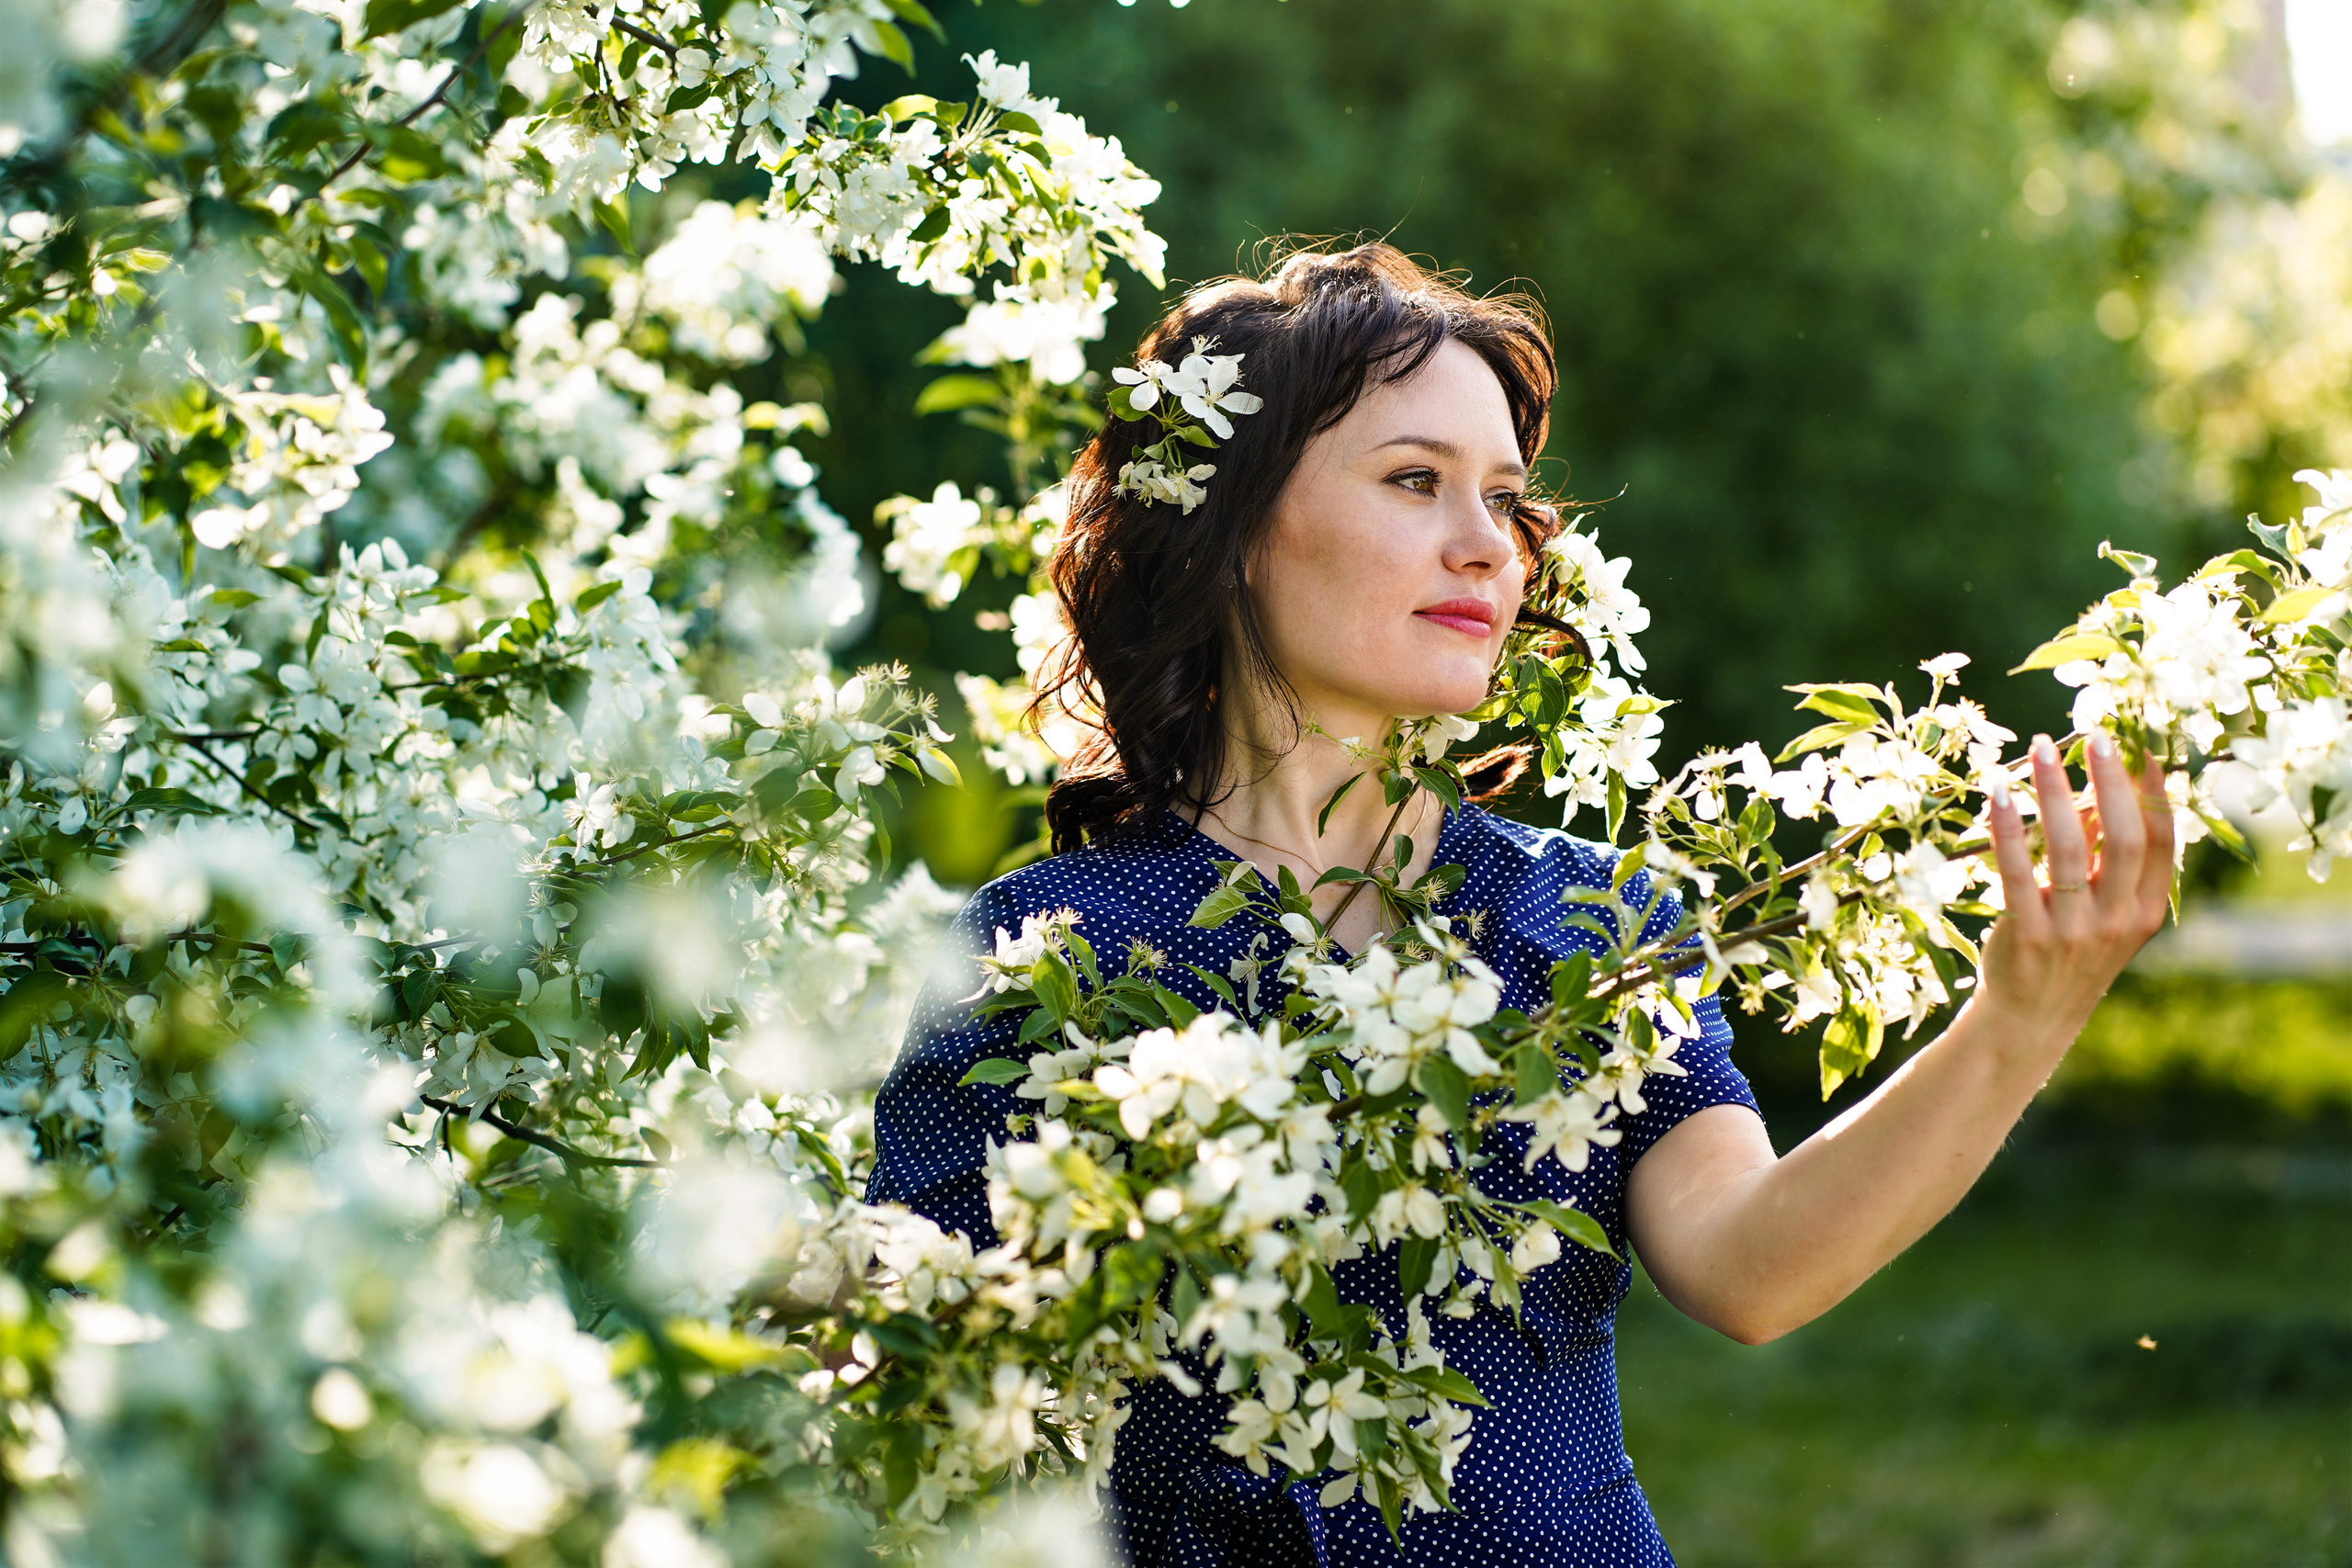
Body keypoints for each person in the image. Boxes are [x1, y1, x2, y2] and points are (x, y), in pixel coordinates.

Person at [865, 243, 2173, 1566]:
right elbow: (918, 1390)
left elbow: (1750, 1268)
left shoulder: (1587, 919)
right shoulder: (1043, 958)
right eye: (1415, 480)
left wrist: (2017, 1021)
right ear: (1234, 527)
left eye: (1503, 497)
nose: (1488, 545)